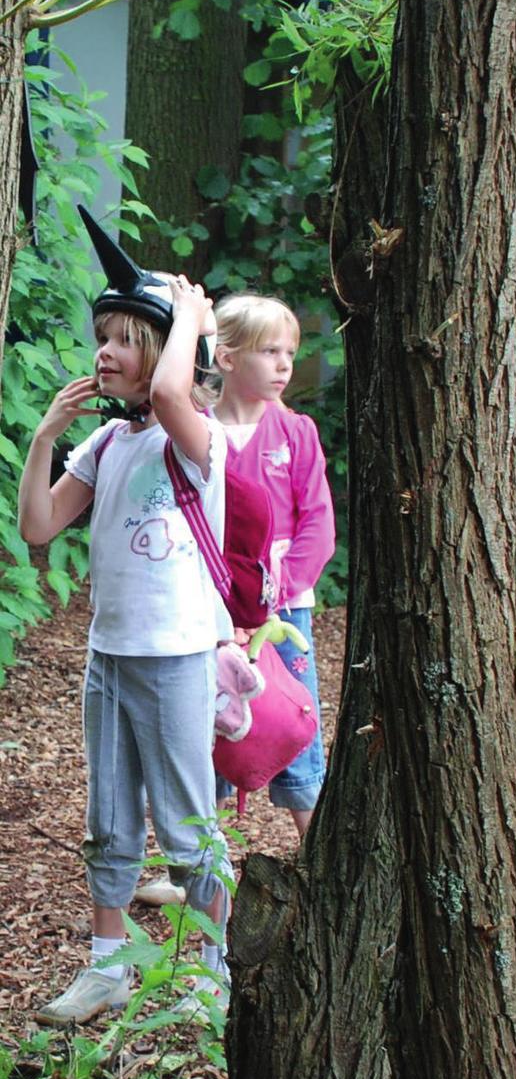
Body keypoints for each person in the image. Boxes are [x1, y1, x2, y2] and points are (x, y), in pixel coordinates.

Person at [18, 210, 232, 1024]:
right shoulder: (106, 447)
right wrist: (46, 435)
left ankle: (216, 973)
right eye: (100, 335)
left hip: (176, 659)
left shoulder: (195, 437)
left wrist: (193, 313)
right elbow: (39, 525)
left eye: (121, 337)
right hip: (109, 656)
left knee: (188, 827)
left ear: (164, 347)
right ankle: (107, 965)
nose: (102, 350)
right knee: (109, 816)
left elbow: (177, 388)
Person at [210, 293, 334, 838]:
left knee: (294, 719)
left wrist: (271, 596)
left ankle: (318, 857)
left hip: (282, 614)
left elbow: (318, 525)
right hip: (210, 616)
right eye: (268, 351)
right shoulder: (195, 432)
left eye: (290, 351)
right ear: (227, 357)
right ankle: (199, 871)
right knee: (209, 724)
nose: (284, 364)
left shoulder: (297, 432)